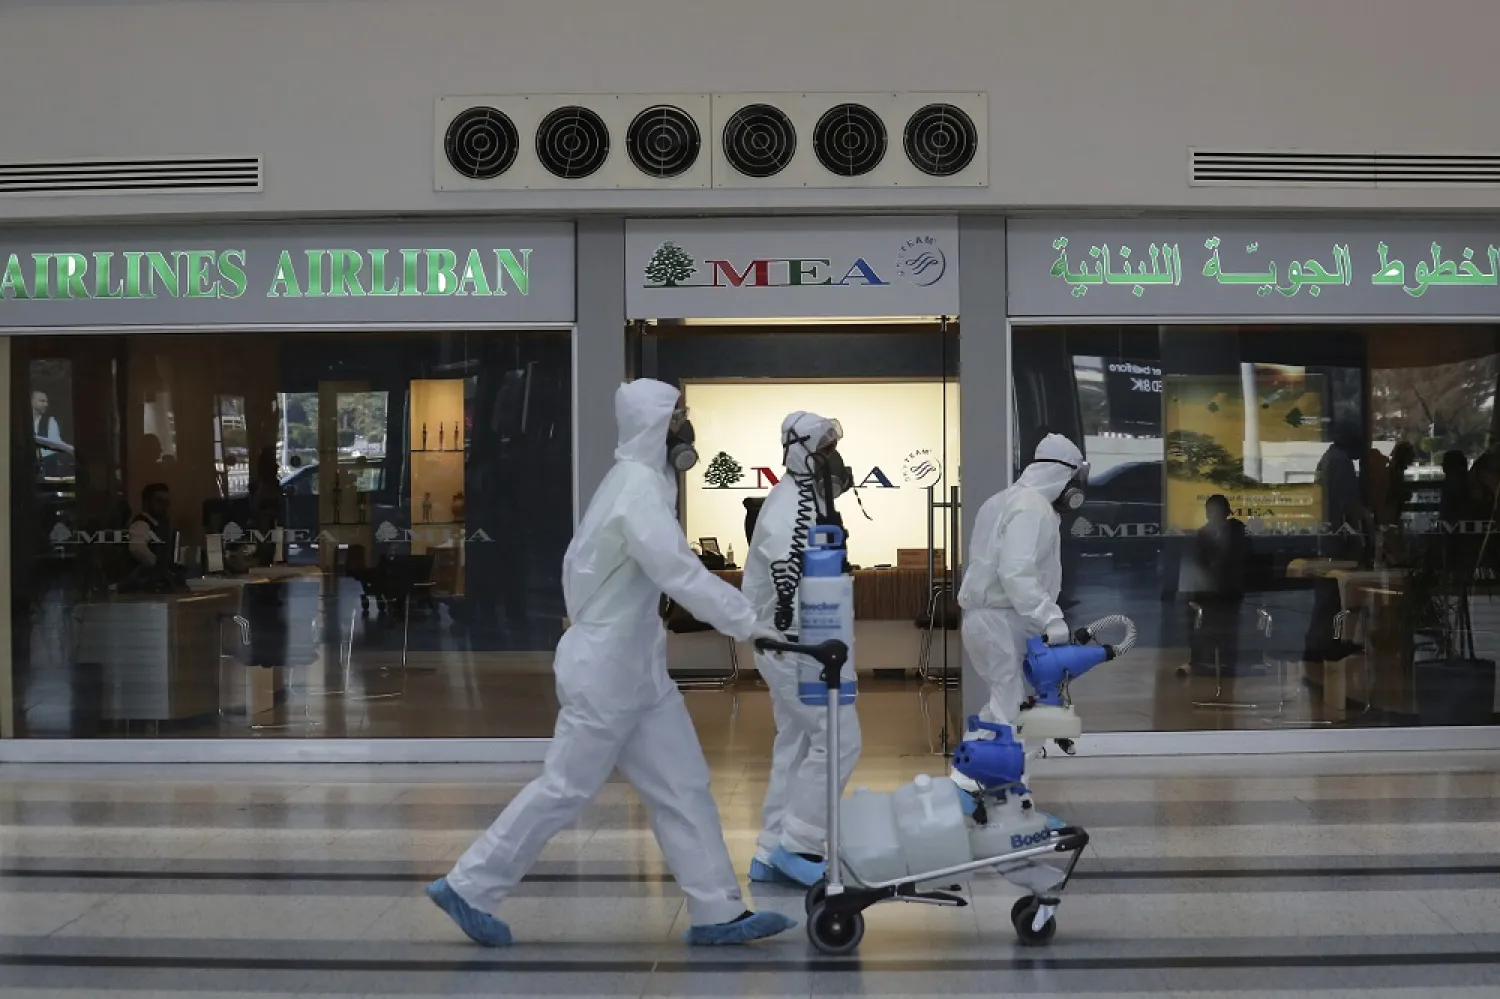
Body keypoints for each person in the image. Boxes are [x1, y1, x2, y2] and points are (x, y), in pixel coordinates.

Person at [427, 378, 792, 948]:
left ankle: (718, 911)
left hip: (638, 671)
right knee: (567, 787)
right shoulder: (635, 491)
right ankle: (470, 885)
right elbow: (679, 572)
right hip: (606, 671)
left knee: (684, 784)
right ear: (655, 427)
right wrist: (753, 625)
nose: (686, 428)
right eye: (678, 417)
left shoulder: (643, 482)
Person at [741, 411, 861, 888]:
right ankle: (801, 844)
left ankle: (770, 850)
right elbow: (794, 583)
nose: (834, 456)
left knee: (795, 745)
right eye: (825, 448)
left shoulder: (809, 499)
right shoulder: (791, 507)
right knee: (838, 739)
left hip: (791, 645)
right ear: (802, 451)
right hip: (795, 647)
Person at [950, 434, 1086, 796]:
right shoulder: (1033, 507)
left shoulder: (1002, 500)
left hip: (991, 618)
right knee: (1013, 715)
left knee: (1003, 707)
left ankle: (973, 785)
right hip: (1001, 618)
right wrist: (1049, 616)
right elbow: (1015, 571)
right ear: (1065, 477)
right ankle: (995, 794)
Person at [1188, 494, 1249, 676]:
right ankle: (1205, 662)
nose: (1212, 515)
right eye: (1209, 511)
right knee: (1208, 626)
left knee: (1229, 628)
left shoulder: (1237, 530)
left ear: (1226, 512)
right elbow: (1199, 561)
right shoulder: (1202, 533)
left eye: (1216, 511)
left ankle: (1227, 664)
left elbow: (1241, 555)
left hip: (1229, 588)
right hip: (1209, 590)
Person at [128, 483, 174, 570]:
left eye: (166, 502)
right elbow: (136, 548)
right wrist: (157, 564)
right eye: (159, 501)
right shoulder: (141, 524)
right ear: (146, 502)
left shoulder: (157, 524)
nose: (164, 505)